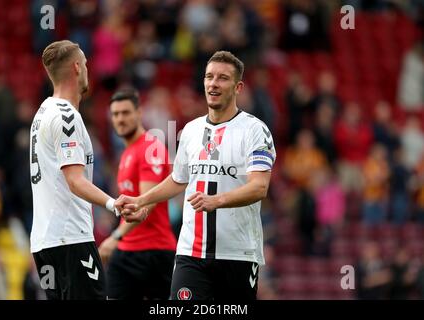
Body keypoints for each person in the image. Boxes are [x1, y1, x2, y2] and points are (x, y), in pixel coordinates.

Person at [120, 51, 275, 300]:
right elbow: (178, 180)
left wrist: (217, 201)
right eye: (209, 77)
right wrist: (140, 200)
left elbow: (259, 187)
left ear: (238, 87)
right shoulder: (191, 131)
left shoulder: (255, 130)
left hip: (238, 253)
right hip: (191, 253)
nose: (213, 83)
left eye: (222, 78)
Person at [29, 40, 135, 300]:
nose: (88, 69)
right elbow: (74, 181)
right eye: (86, 63)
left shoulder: (42, 112)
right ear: (77, 67)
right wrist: (113, 204)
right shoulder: (66, 116)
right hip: (70, 240)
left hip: (45, 243)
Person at [98, 88, 177, 299]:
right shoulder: (127, 153)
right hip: (128, 249)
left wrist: (115, 236)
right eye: (115, 114)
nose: (120, 119)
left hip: (154, 251)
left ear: (139, 113)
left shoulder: (151, 148)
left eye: (125, 113)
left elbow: (147, 202)